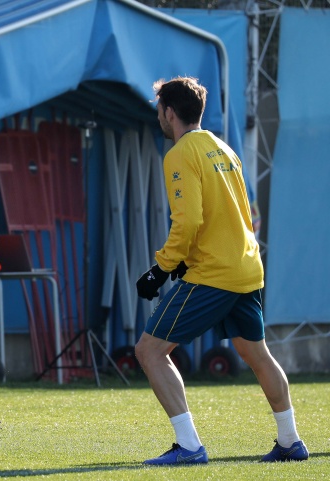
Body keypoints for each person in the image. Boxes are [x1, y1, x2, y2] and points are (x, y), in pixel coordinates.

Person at [134, 76, 308, 465]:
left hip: (214, 274)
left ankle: (190, 447)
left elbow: (189, 220)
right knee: (256, 353)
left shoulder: (180, 153)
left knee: (149, 351)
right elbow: (240, 215)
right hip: (246, 268)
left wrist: (160, 269)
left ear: (170, 112)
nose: (158, 117)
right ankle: (290, 441)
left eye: (159, 110)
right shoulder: (223, 148)